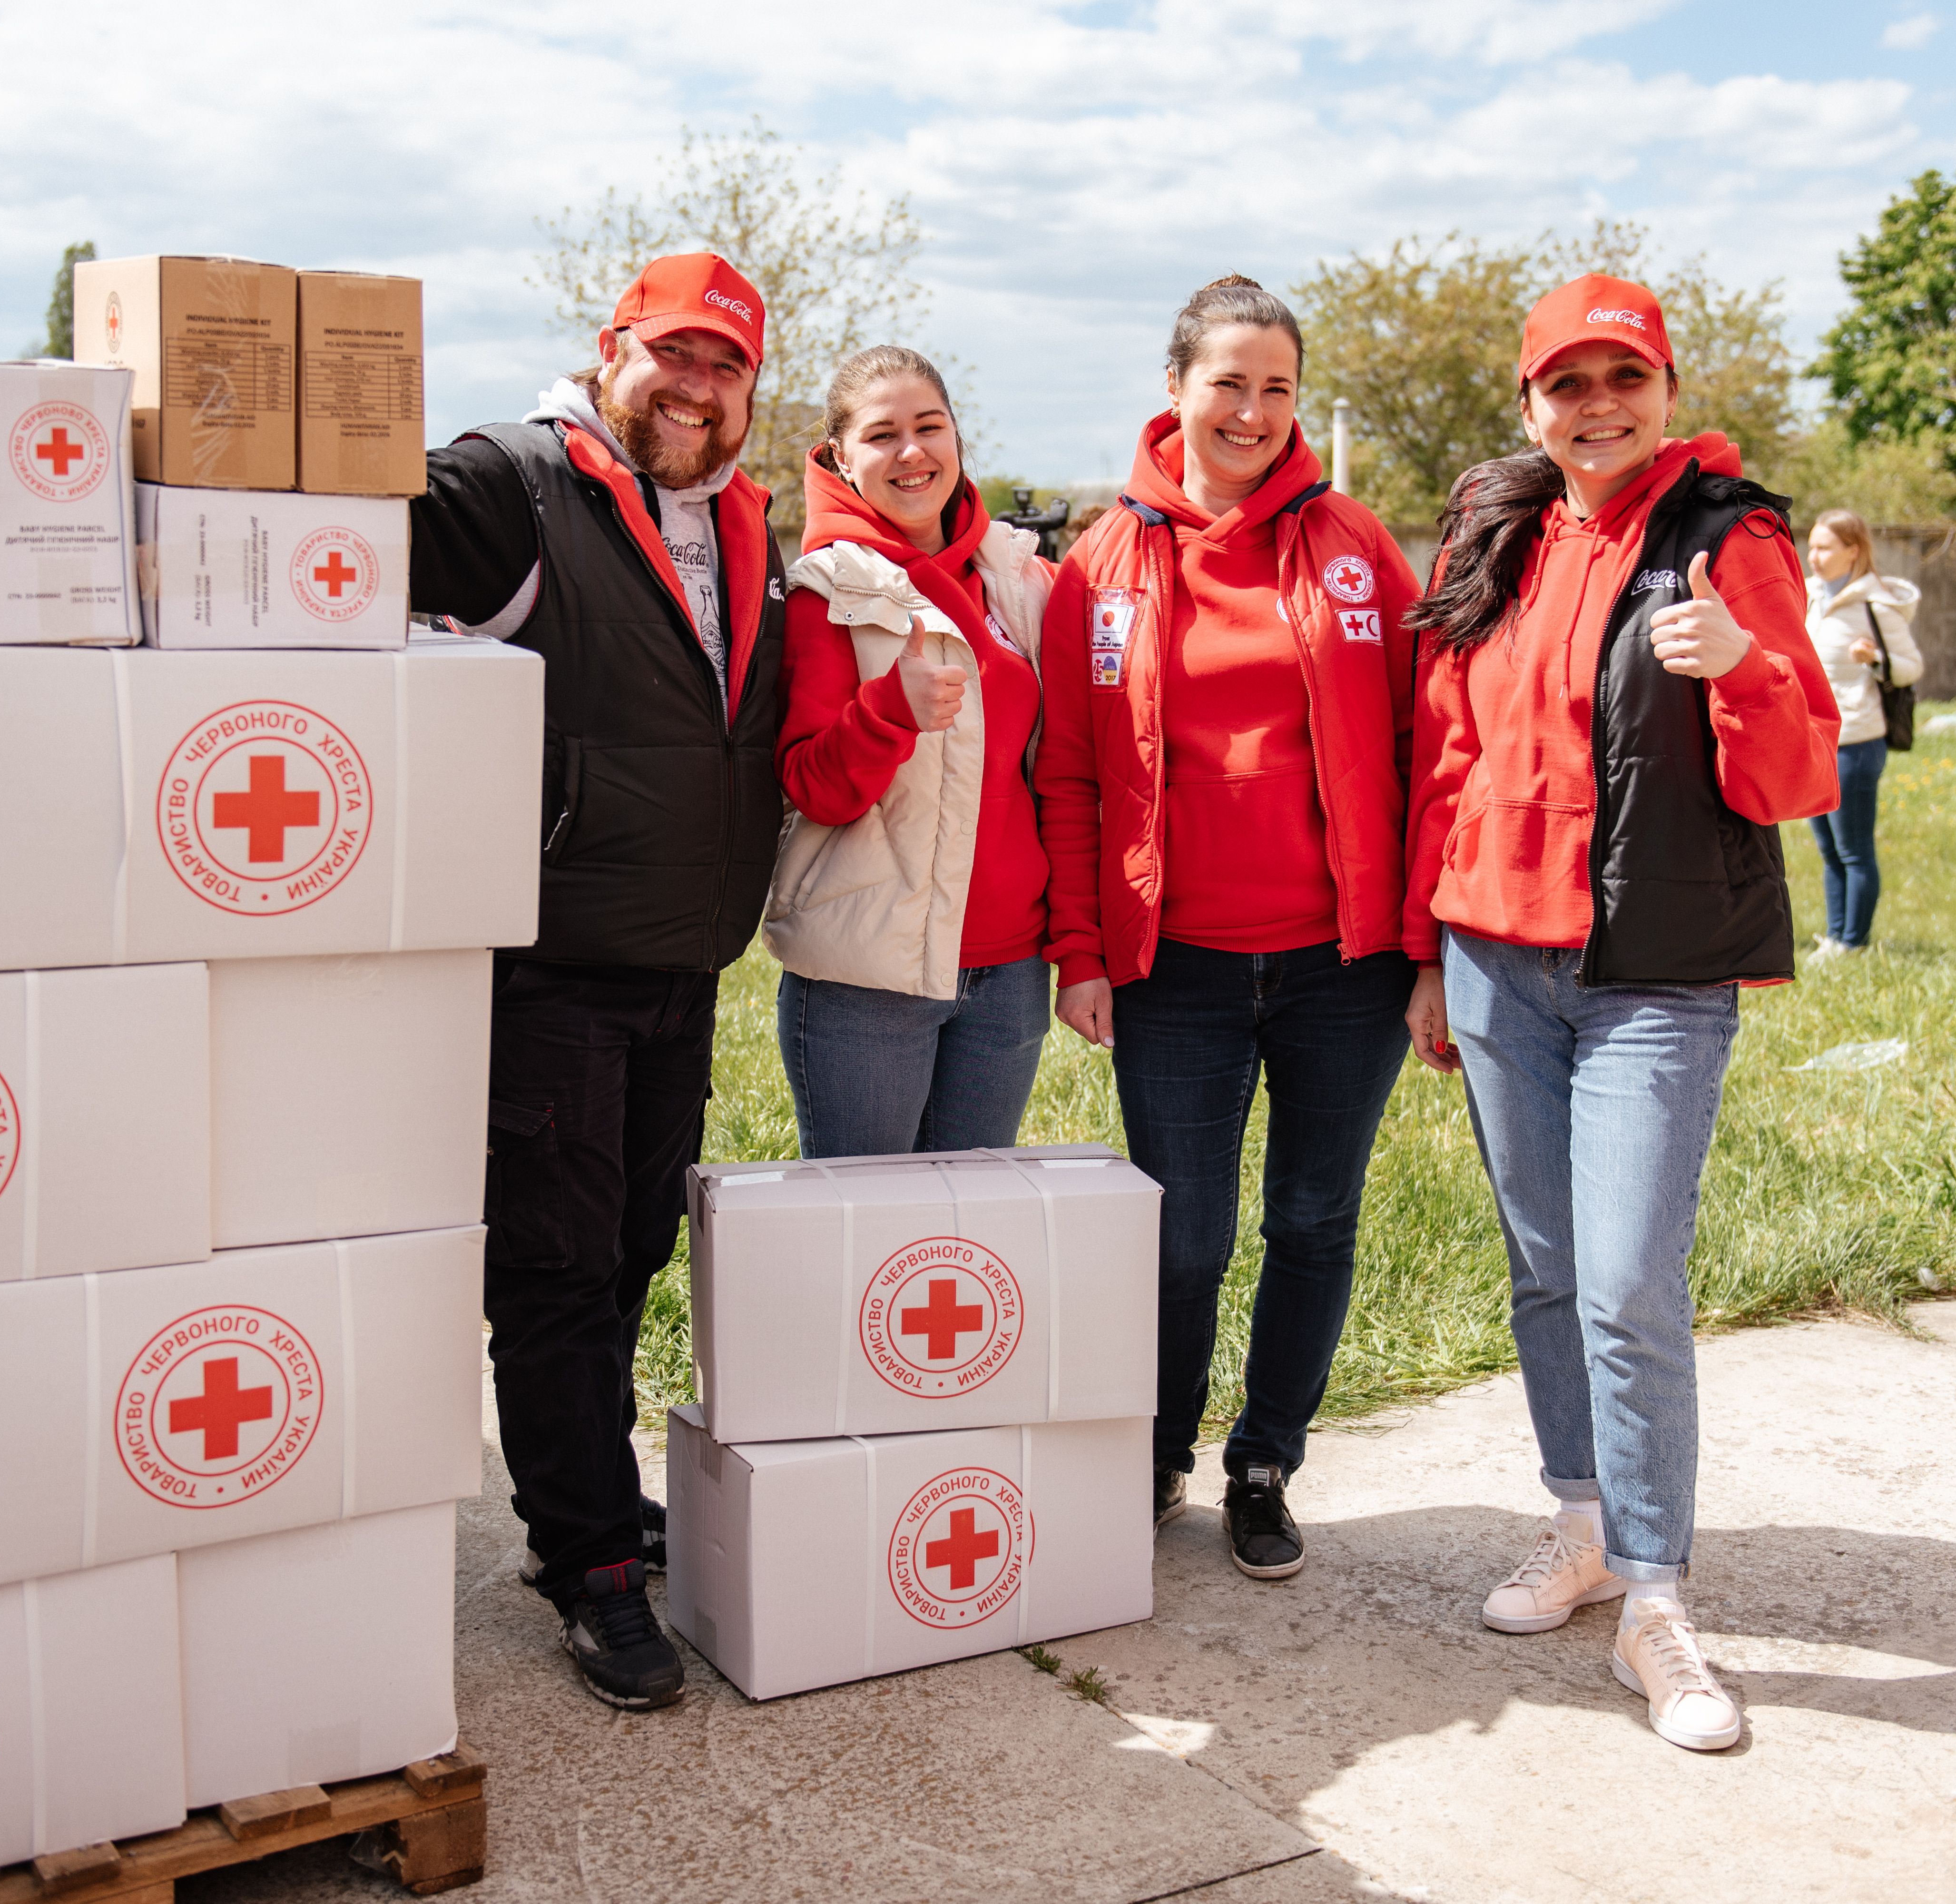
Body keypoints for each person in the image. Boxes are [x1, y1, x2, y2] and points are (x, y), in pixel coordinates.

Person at [1402, 275, 1839, 1753]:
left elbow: (1801, 780)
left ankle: (1657, 1597)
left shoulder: (1730, 541)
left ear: (1663, 386)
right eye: (1566, 385)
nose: (1597, 408)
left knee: (1627, 1284)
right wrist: (1425, 951)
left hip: (1652, 977)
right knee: (1541, 1267)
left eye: (1623, 379)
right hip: (1491, 961)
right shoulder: (1501, 537)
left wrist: (1751, 670)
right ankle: (1581, 1528)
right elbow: (1446, 756)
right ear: (1530, 405)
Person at [406, 254, 786, 1712]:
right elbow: (330, 531)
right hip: (552, 971)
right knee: (558, 1277)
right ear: (611, 349)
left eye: (727, 368)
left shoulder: (738, 517)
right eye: (672, 357)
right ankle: (586, 1565)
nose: (695, 391)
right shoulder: (512, 485)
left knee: (631, 1250)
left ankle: (589, 1497)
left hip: (681, 964)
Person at [1038, 276, 1423, 1583]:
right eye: (1228, 382)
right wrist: (1083, 951)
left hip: (1341, 968)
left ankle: (1265, 1460)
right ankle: (1155, 1454)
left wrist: (1423, 949)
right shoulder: (1099, 564)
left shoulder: (1359, 548)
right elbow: (1073, 775)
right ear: (1177, 389)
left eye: (1276, 388)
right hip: (1176, 971)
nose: (1251, 410)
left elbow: (1427, 749)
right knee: (1185, 1236)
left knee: (1314, 1219)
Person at [766, 346, 1054, 1156]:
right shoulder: (823, 590)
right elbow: (814, 788)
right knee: (865, 1245)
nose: (911, 452)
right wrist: (888, 710)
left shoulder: (1016, 577)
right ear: (838, 458)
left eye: (929, 427)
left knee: (958, 1241)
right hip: (868, 982)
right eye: (881, 434)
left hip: (1007, 974)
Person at [1802, 508, 1923, 960]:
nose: (1813, 556)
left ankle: (1855, 944)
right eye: (1811, 546)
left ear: (1853, 551)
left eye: (1825, 547)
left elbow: (1910, 666)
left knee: (1853, 848)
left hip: (1856, 740)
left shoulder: (1875, 604)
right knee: (1828, 847)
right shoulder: (1811, 596)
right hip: (1815, 740)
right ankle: (1836, 938)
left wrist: (1871, 658)